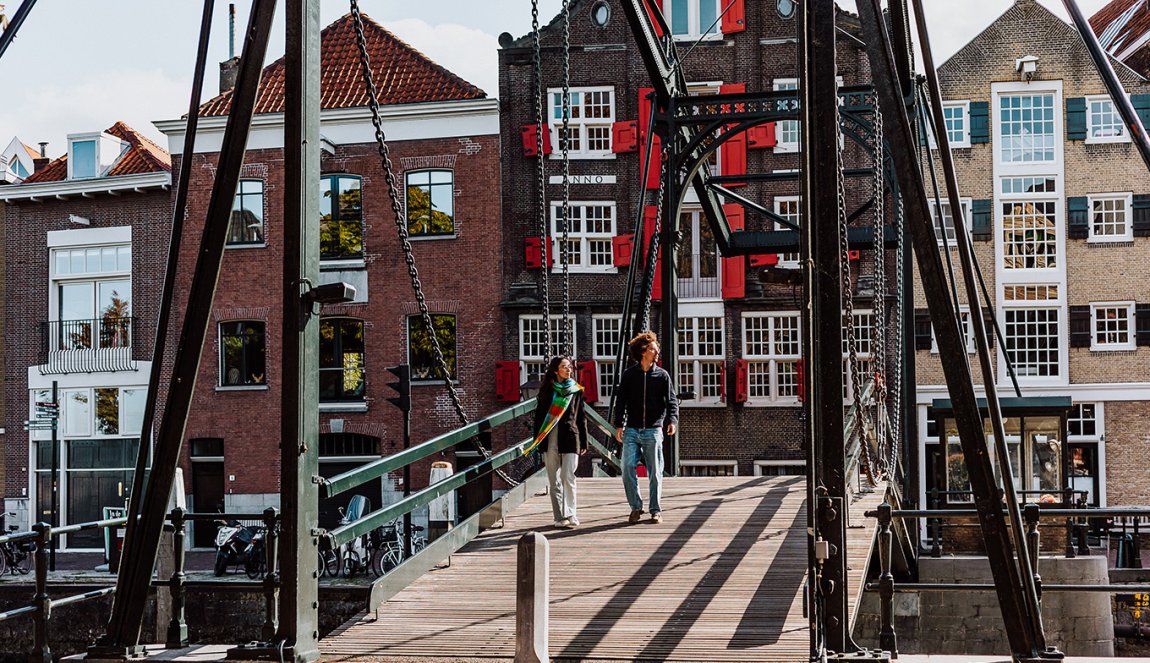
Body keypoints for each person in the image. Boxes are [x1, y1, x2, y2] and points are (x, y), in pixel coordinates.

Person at [613, 331, 678, 525]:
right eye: (652, 348)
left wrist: (672, 420)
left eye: (656, 348)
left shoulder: (662, 375)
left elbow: (672, 401)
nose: (656, 351)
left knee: (655, 471)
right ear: (643, 351)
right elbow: (621, 401)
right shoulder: (629, 375)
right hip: (632, 429)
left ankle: (655, 509)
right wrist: (618, 424)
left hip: (653, 429)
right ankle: (636, 506)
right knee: (626, 468)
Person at [529, 355, 589, 528]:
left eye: (570, 366)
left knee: (568, 476)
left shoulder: (576, 390)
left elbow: (581, 417)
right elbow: (539, 418)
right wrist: (538, 442)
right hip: (549, 438)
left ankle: (571, 513)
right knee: (554, 478)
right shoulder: (547, 391)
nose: (569, 369)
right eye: (565, 366)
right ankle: (559, 516)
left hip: (571, 437)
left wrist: (584, 442)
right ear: (556, 370)